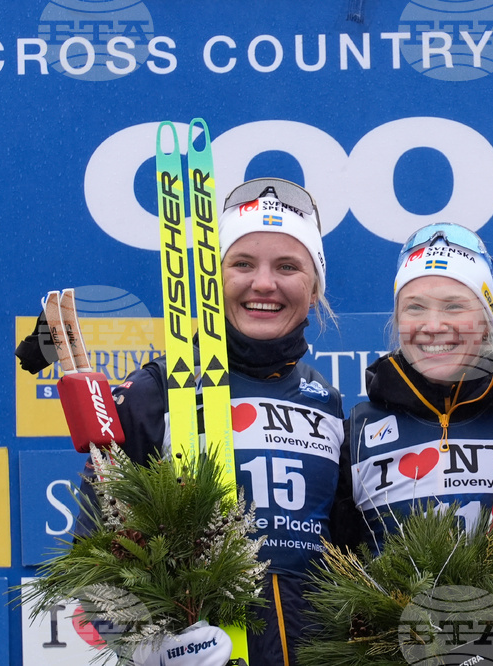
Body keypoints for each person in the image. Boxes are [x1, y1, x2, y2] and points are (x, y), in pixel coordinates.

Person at [88, 178, 349, 664]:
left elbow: (352, 555)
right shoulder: (157, 392)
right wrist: (150, 646)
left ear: (313, 287)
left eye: (288, 266)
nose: (264, 283)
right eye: (242, 264)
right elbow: (91, 553)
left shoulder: (328, 402)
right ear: (212, 278)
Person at [345, 223, 493, 665]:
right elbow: (340, 567)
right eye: (415, 307)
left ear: (487, 315)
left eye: (454, 306)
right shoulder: (359, 428)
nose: (434, 326)